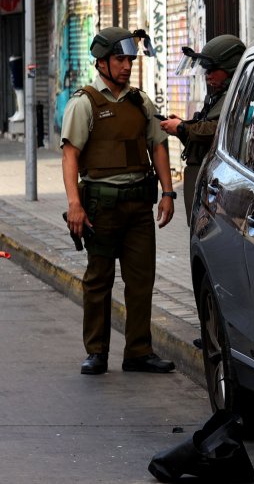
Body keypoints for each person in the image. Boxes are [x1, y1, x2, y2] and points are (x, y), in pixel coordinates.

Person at [61, 27, 177, 375]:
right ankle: (96, 351)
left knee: (141, 280)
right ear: (101, 63)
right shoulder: (84, 103)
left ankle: (138, 352)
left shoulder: (140, 102)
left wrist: (169, 194)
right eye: (119, 59)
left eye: (129, 60)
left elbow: (158, 145)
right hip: (100, 207)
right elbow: (70, 156)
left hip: (138, 207)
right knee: (99, 279)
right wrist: (74, 205)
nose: (126, 66)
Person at [161, 34, 246, 222]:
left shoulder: (237, 98)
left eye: (212, 69)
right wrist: (182, 126)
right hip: (203, 180)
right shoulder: (219, 96)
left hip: (216, 186)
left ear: (230, 68)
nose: (208, 75)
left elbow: (218, 131)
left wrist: (184, 128)